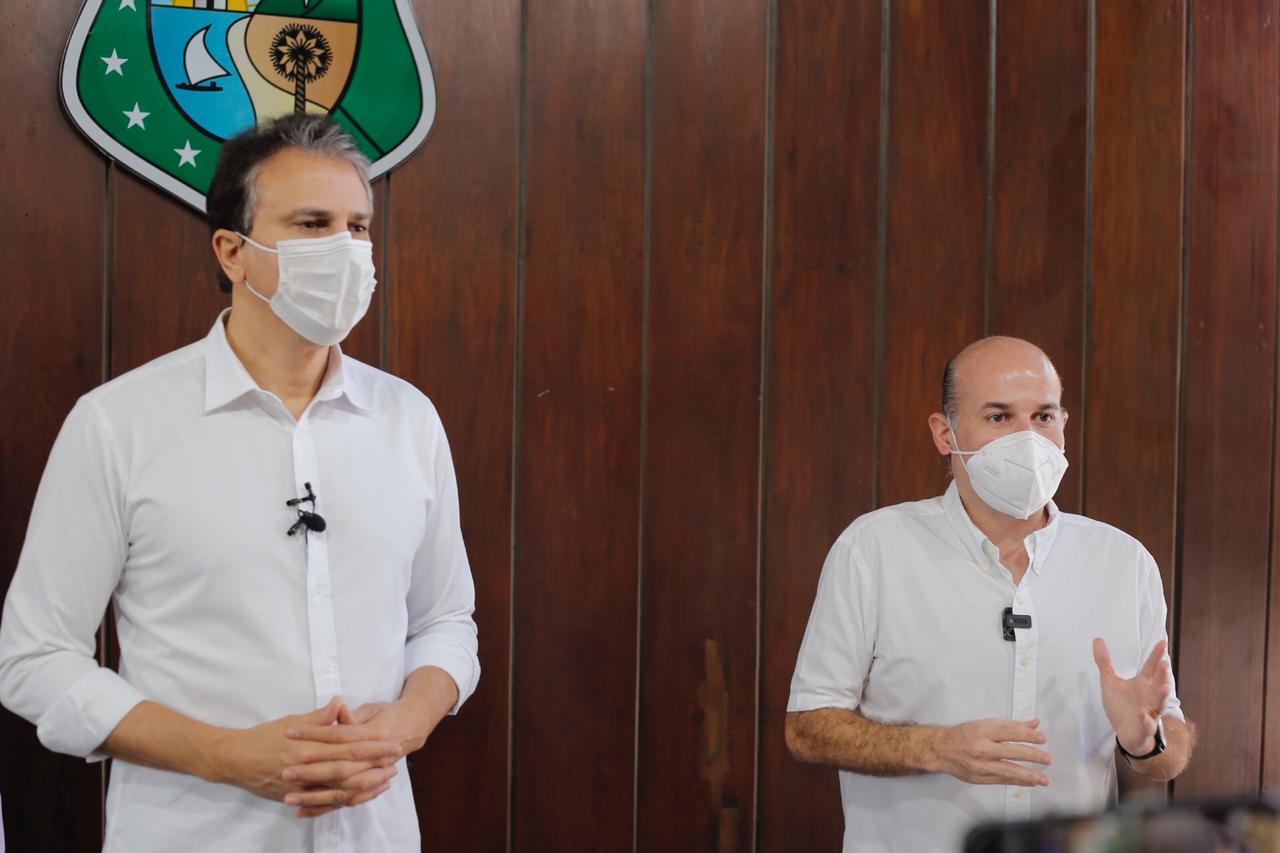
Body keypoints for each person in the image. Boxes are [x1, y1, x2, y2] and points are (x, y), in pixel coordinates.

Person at [0, 114, 479, 852]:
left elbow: (446, 620)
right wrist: (223, 753)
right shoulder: (119, 424)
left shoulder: (407, 419)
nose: (347, 251)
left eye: (358, 226)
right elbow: (35, 658)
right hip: (192, 831)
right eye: (313, 223)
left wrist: (408, 720)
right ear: (233, 251)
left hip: (373, 833)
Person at [785, 336, 1195, 853]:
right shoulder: (874, 548)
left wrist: (1144, 741)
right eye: (999, 418)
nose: (1027, 439)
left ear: (1064, 425)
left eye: (1043, 416)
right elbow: (808, 728)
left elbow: (1170, 751)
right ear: (944, 432)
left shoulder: (1123, 562)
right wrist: (935, 748)